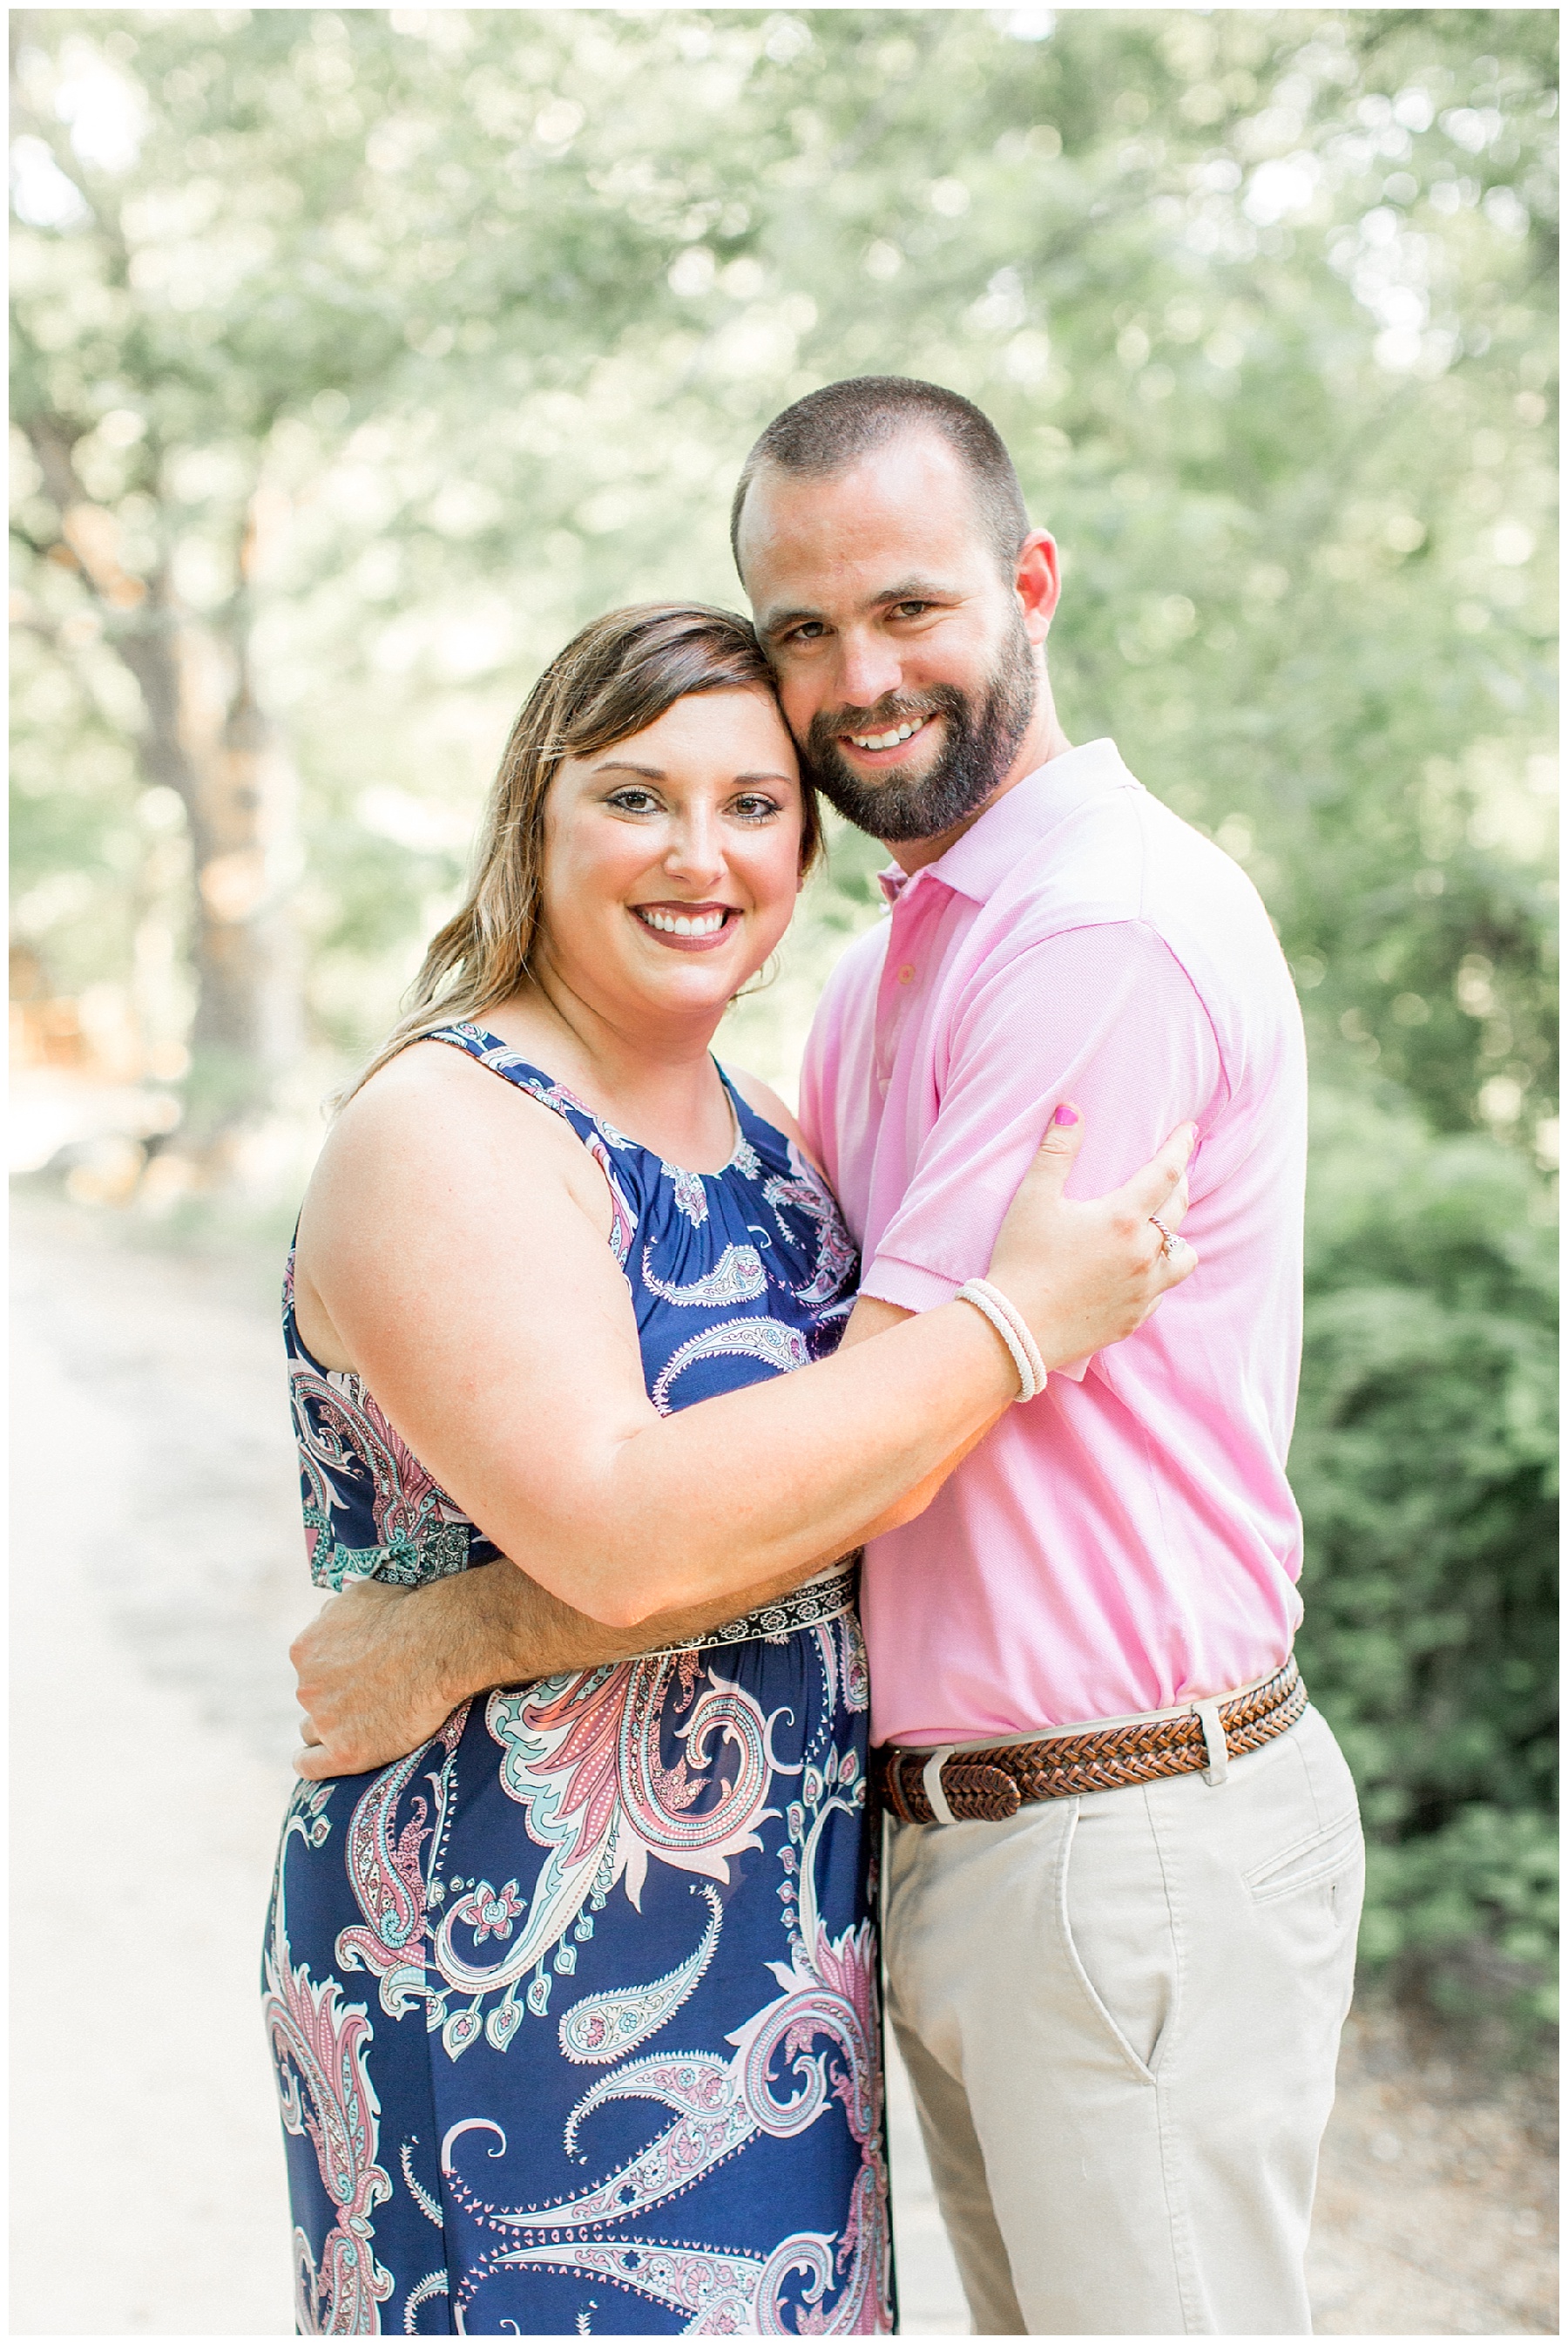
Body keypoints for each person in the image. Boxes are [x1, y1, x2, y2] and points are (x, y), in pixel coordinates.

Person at [294, 376, 1363, 2336]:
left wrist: (458, 1634)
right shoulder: (884, 973)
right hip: (798, 1888)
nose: (858, 675)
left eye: (910, 608)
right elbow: (818, 1435)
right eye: (805, 631)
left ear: (1029, 583)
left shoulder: (1091, 938)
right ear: (535, 808)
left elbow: (874, 1445)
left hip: (1098, 1835)